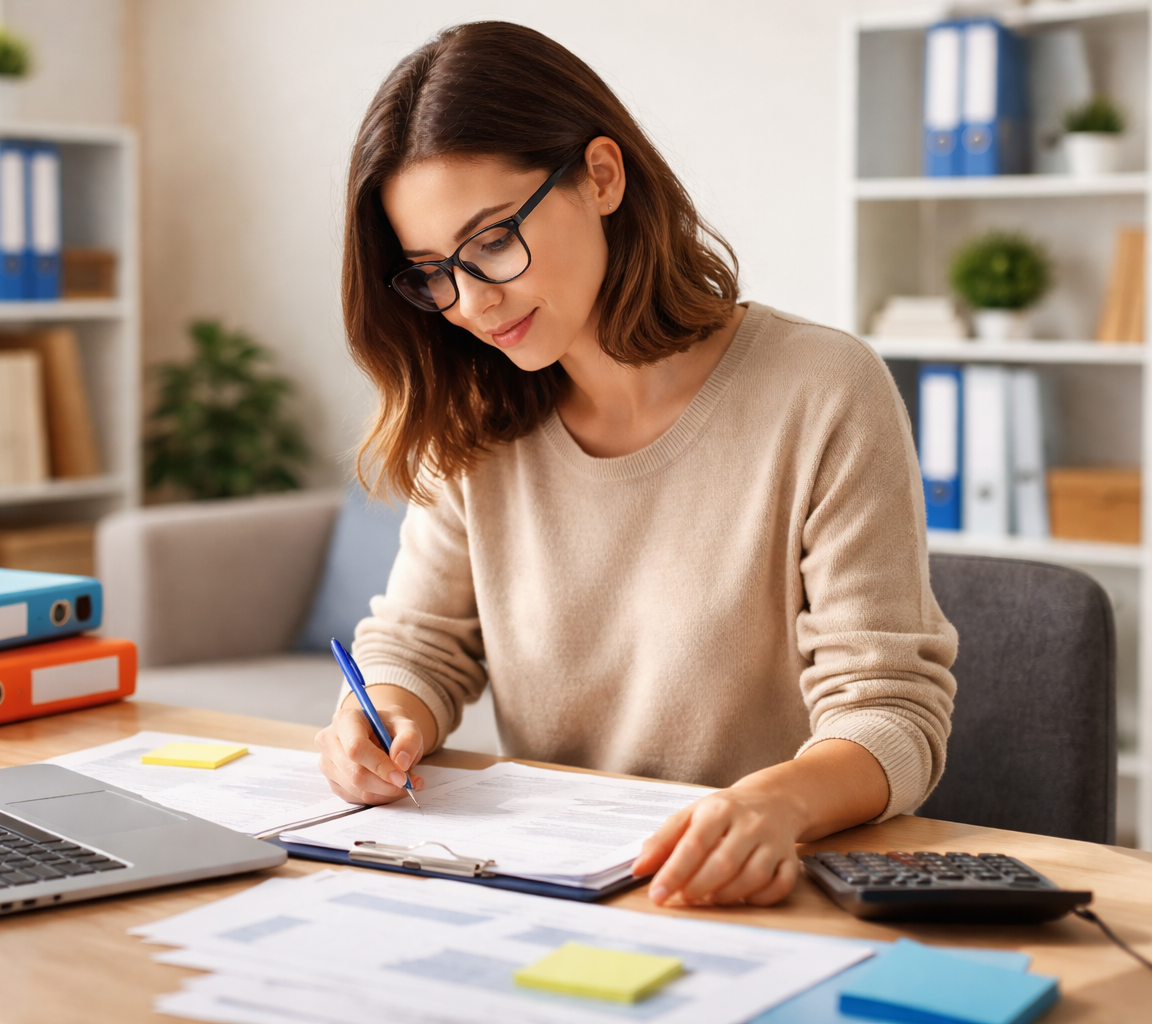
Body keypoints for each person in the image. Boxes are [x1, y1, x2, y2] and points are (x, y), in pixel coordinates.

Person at [314, 21, 957, 909]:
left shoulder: (822, 389)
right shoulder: (478, 417)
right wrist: (384, 712)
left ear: (601, 177)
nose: (471, 303)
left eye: (492, 241)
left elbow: (892, 711)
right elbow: (421, 642)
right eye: (431, 273)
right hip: (555, 886)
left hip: (761, 889)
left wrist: (775, 804)